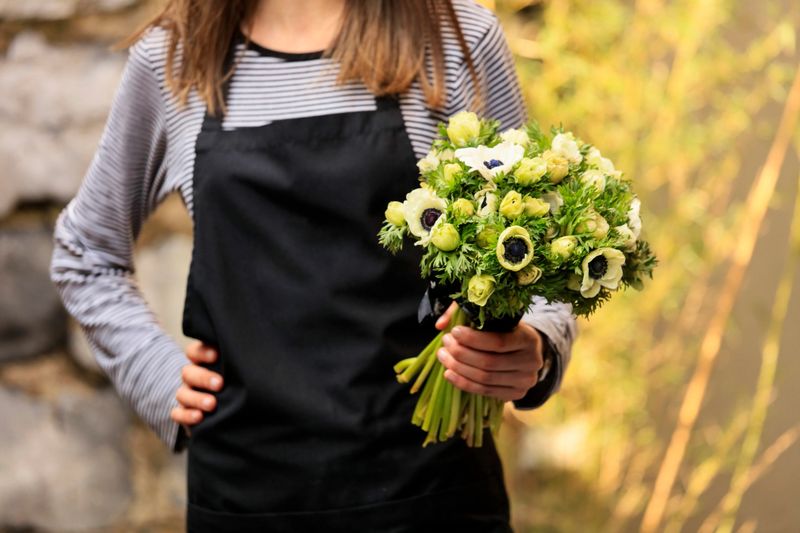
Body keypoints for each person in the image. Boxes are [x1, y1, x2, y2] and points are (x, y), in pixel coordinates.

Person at [50, 0, 578, 530]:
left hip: (432, 497)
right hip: (244, 502)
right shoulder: (177, 56)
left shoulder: (455, 38)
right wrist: (157, 375)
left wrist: (535, 348)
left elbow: (538, 242)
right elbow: (85, 253)